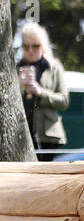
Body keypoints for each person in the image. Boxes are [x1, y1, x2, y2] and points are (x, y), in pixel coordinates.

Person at [16, 22, 70, 161]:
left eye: (35, 45)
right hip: (19, 133)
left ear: (43, 45)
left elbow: (64, 101)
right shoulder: (14, 68)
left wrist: (41, 92)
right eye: (26, 46)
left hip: (48, 135)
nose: (30, 50)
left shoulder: (54, 68)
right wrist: (19, 86)